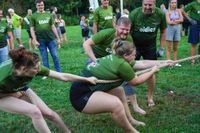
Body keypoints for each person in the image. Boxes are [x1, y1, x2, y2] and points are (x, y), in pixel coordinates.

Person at [71, 38, 173, 133]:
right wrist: (153, 71)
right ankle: (131, 131)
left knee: (119, 91)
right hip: (81, 96)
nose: (135, 56)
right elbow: (136, 82)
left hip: (86, 88)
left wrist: (163, 62)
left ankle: (131, 120)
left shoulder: (117, 58)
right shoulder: (122, 64)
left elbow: (142, 63)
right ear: (126, 56)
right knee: (116, 104)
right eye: (133, 55)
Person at [0, 47, 97, 133]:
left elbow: (62, 76)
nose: (39, 70)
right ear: (24, 69)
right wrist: (13, 95)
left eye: (39, 66)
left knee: (49, 114)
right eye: (36, 68)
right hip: (2, 96)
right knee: (34, 111)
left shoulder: (31, 66)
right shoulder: (3, 76)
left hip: (19, 88)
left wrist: (87, 79)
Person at [83, 17, 146, 115]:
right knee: (91, 83)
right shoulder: (106, 33)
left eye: (127, 30)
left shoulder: (128, 38)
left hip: (115, 62)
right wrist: (95, 60)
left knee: (127, 79)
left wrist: (128, 69)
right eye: (122, 29)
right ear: (116, 26)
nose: (125, 32)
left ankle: (135, 106)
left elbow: (129, 56)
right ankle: (93, 101)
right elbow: (86, 44)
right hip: (97, 60)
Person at [129, 0, 167, 106]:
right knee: (128, 70)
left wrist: (162, 48)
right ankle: (129, 95)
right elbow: (128, 31)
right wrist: (130, 48)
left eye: (150, 5)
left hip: (150, 46)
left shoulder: (160, 14)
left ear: (155, 4)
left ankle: (150, 97)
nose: (147, 7)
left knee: (151, 72)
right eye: (145, 5)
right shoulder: (134, 14)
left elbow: (163, 31)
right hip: (134, 47)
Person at [30, 0, 62, 72]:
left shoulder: (49, 14)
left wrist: (58, 38)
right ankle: (46, 73)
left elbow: (53, 26)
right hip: (40, 40)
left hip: (51, 39)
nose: (41, 6)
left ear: (43, 5)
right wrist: (34, 40)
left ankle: (59, 71)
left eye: (42, 5)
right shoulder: (33, 16)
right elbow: (32, 29)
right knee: (44, 57)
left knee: (55, 56)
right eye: (39, 5)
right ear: (36, 6)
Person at [165, 0, 183, 66]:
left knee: (175, 47)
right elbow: (169, 22)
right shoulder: (167, 12)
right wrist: (178, 21)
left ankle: (175, 62)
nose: (174, 4)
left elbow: (182, 19)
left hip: (177, 29)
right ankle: (168, 63)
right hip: (169, 29)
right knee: (168, 47)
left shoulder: (178, 10)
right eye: (172, 3)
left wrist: (174, 20)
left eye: (175, 2)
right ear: (170, 3)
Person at [183, 0, 200, 65]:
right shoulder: (193, 3)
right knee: (194, 42)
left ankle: (199, 59)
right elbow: (183, 10)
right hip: (195, 24)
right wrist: (190, 19)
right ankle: (192, 60)